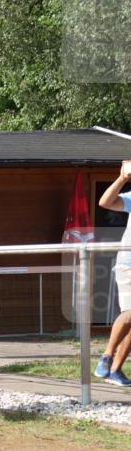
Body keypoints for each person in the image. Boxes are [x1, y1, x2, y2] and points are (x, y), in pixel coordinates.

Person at [93, 159, 131, 386]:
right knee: (130, 312)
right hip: (129, 263)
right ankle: (106, 356)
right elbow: (105, 202)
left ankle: (115, 370)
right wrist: (122, 178)